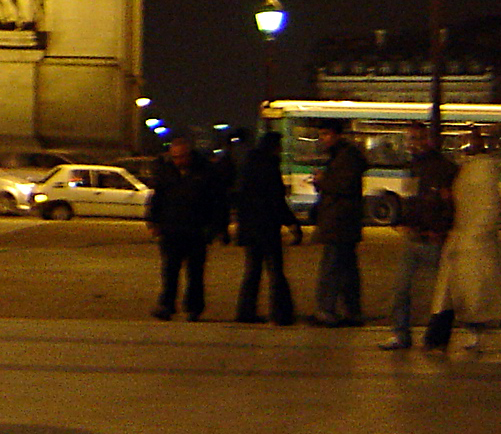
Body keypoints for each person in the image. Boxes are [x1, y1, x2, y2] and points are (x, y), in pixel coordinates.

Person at [427, 125, 501, 352]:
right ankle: (441, 335)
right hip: (468, 239)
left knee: (475, 292)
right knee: (470, 292)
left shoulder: (479, 170)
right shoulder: (475, 169)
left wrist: (477, 232)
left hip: (472, 241)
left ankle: (444, 335)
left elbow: (488, 206)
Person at [380, 120, 457, 349]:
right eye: (410, 139)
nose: (413, 144)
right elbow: (414, 201)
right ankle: (401, 334)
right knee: (401, 289)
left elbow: (450, 204)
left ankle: (444, 334)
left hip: (433, 239)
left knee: (446, 291)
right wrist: (401, 220)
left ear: (430, 140)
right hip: (414, 236)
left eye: (418, 138)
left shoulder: (443, 168)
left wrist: (441, 229)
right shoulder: (413, 167)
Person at [146, 133, 226, 320]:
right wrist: (153, 222)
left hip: (196, 230)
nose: (178, 161)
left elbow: (217, 202)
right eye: (175, 157)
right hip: (171, 229)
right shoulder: (166, 172)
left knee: (195, 274)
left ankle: (193, 308)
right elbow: (157, 198)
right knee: (169, 271)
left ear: (189, 154)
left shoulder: (205, 172)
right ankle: (167, 305)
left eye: (181, 157)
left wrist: (215, 228)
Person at [234, 130, 302, 325]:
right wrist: (291, 223)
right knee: (276, 271)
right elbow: (276, 200)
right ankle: (281, 313)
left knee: (252, 271)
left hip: (250, 227)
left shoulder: (249, 165)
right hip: (266, 226)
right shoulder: (270, 166)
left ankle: (245, 312)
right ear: (274, 147)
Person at [308, 119, 368, 326]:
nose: (322, 139)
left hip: (339, 222)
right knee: (346, 269)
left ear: (337, 135)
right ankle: (351, 311)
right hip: (344, 222)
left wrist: (322, 180)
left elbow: (343, 185)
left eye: (325, 134)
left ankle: (326, 311)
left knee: (332, 268)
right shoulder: (344, 156)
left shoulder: (345, 157)